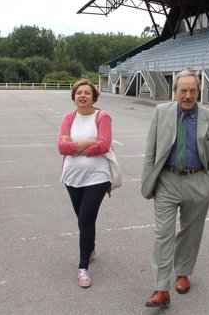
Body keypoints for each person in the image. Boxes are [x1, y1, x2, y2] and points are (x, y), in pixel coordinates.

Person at [141, 70, 209, 308]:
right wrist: (149, 181)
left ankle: (183, 273)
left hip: (197, 181)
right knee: (162, 234)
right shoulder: (161, 112)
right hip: (167, 180)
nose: (188, 95)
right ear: (174, 91)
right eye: (183, 90)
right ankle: (161, 288)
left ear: (199, 92)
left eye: (193, 91)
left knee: (190, 232)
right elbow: (151, 150)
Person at [57, 79, 115, 288]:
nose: (83, 96)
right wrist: (88, 142)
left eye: (87, 93)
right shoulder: (68, 118)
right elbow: (61, 148)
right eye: (79, 92)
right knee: (82, 218)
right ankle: (90, 248)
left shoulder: (102, 117)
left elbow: (104, 144)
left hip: (97, 176)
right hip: (72, 176)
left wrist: (77, 147)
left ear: (93, 97)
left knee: (85, 220)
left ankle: (83, 267)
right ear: (74, 97)